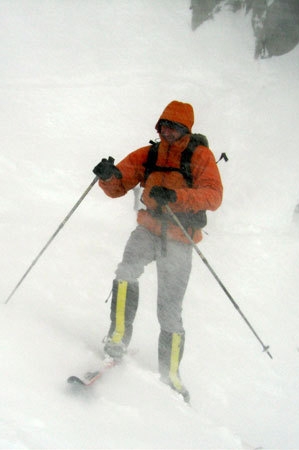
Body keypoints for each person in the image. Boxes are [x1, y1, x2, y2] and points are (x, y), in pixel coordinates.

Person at [92, 100, 223, 401]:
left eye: (173, 127)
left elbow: (213, 196)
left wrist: (175, 196)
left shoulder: (200, 156)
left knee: (169, 310)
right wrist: (108, 175)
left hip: (180, 237)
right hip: (149, 229)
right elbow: (119, 186)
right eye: (163, 125)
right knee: (126, 272)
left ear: (185, 129)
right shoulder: (149, 154)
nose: (166, 131)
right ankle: (116, 341)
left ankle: (171, 375)